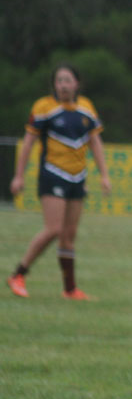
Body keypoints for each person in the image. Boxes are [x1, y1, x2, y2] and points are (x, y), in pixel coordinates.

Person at [7, 64, 111, 301]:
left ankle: (70, 289)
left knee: (68, 235)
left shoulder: (86, 107)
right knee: (53, 229)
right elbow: (29, 143)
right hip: (53, 173)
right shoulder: (44, 107)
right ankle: (18, 275)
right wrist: (19, 175)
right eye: (59, 80)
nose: (63, 85)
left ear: (77, 83)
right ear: (54, 84)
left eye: (67, 80)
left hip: (78, 177)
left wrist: (104, 175)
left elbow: (95, 142)